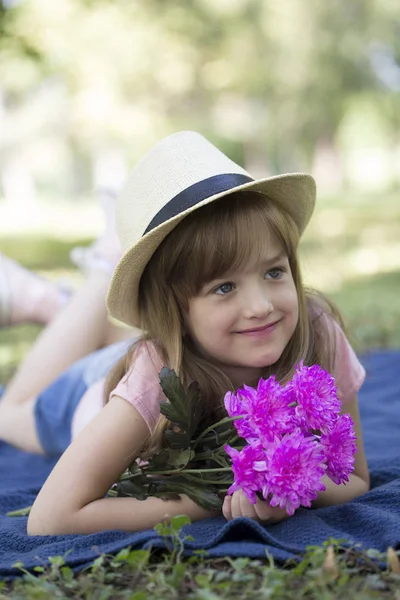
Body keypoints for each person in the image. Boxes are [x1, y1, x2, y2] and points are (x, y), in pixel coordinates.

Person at [0, 131, 370, 536]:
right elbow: (51, 518)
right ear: (176, 311)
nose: (262, 305)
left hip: (173, 346)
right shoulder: (155, 377)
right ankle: (81, 279)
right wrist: (219, 502)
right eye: (224, 287)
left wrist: (283, 494)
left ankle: (79, 299)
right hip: (89, 393)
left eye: (274, 271)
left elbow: (354, 480)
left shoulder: (317, 334)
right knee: (9, 413)